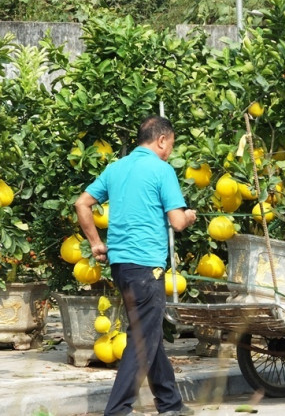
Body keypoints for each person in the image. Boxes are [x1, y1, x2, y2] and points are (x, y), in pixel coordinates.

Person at [75, 115, 197, 416]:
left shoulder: (116, 168)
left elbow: (82, 203)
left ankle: (170, 404)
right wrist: (190, 215)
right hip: (147, 268)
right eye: (171, 144)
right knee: (143, 340)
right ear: (161, 140)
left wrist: (95, 243)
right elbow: (178, 222)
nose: (170, 151)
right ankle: (117, 410)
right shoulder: (162, 169)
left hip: (121, 267)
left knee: (147, 333)